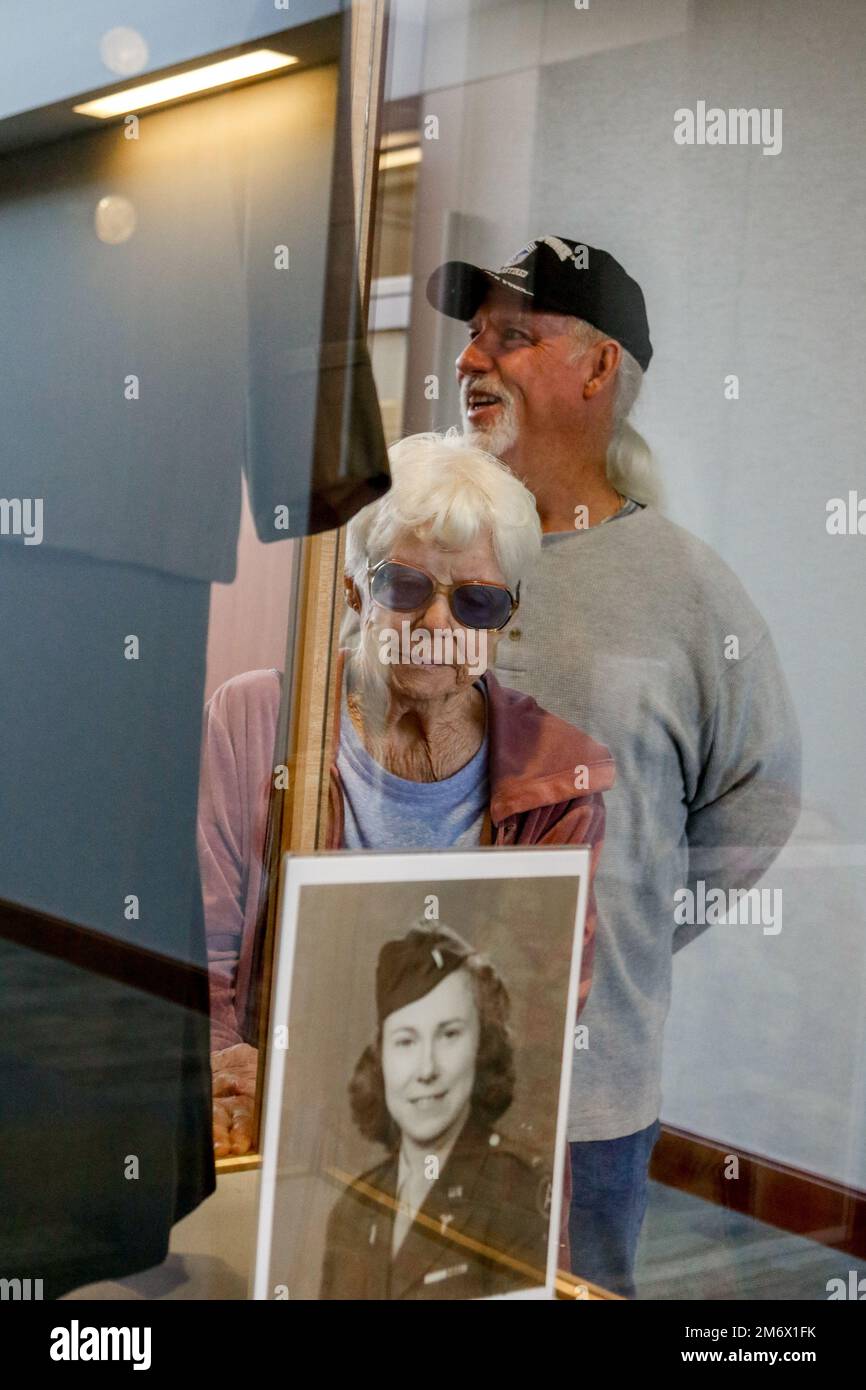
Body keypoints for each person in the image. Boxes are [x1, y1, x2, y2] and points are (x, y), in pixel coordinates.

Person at [426, 234, 802, 1298]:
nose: (470, 362)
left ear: (597, 372)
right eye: (470, 338)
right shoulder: (424, 548)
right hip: (388, 1037)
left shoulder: (684, 587)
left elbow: (761, 789)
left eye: (509, 336)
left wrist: (626, 918)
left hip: (579, 1087)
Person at [198, 431, 614, 1161]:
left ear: (507, 619)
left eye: (477, 602)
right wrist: (235, 1101)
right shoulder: (256, 719)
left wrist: (304, 1088)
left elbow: (528, 1030)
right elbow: (198, 961)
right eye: (407, 586)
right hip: (254, 1130)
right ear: (356, 588)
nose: (437, 626)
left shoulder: (561, 776)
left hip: (455, 1151)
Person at [320, 923, 552, 1299]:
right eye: (406, 1041)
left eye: (449, 1035)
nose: (427, 1069)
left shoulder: (518, 1193)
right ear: (381, 1060)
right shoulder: (354, 1208)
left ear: (483, 1046)